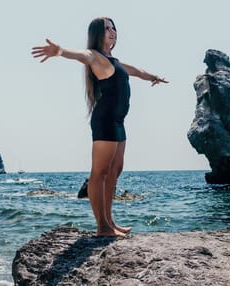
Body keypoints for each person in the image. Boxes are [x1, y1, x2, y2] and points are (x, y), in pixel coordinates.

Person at [31, 17, 168, 237]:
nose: (112, 31)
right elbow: (81, 55)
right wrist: (59, 51)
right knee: (100, 172)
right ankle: (102, 227)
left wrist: (153, 77)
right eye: (107, 28)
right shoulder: (95, 57)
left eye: (114, 27)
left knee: (115, 170)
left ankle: (110, 222)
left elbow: (137, 71)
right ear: (97, 33)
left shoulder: (114, 61)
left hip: (118, 121)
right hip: (105, 120)